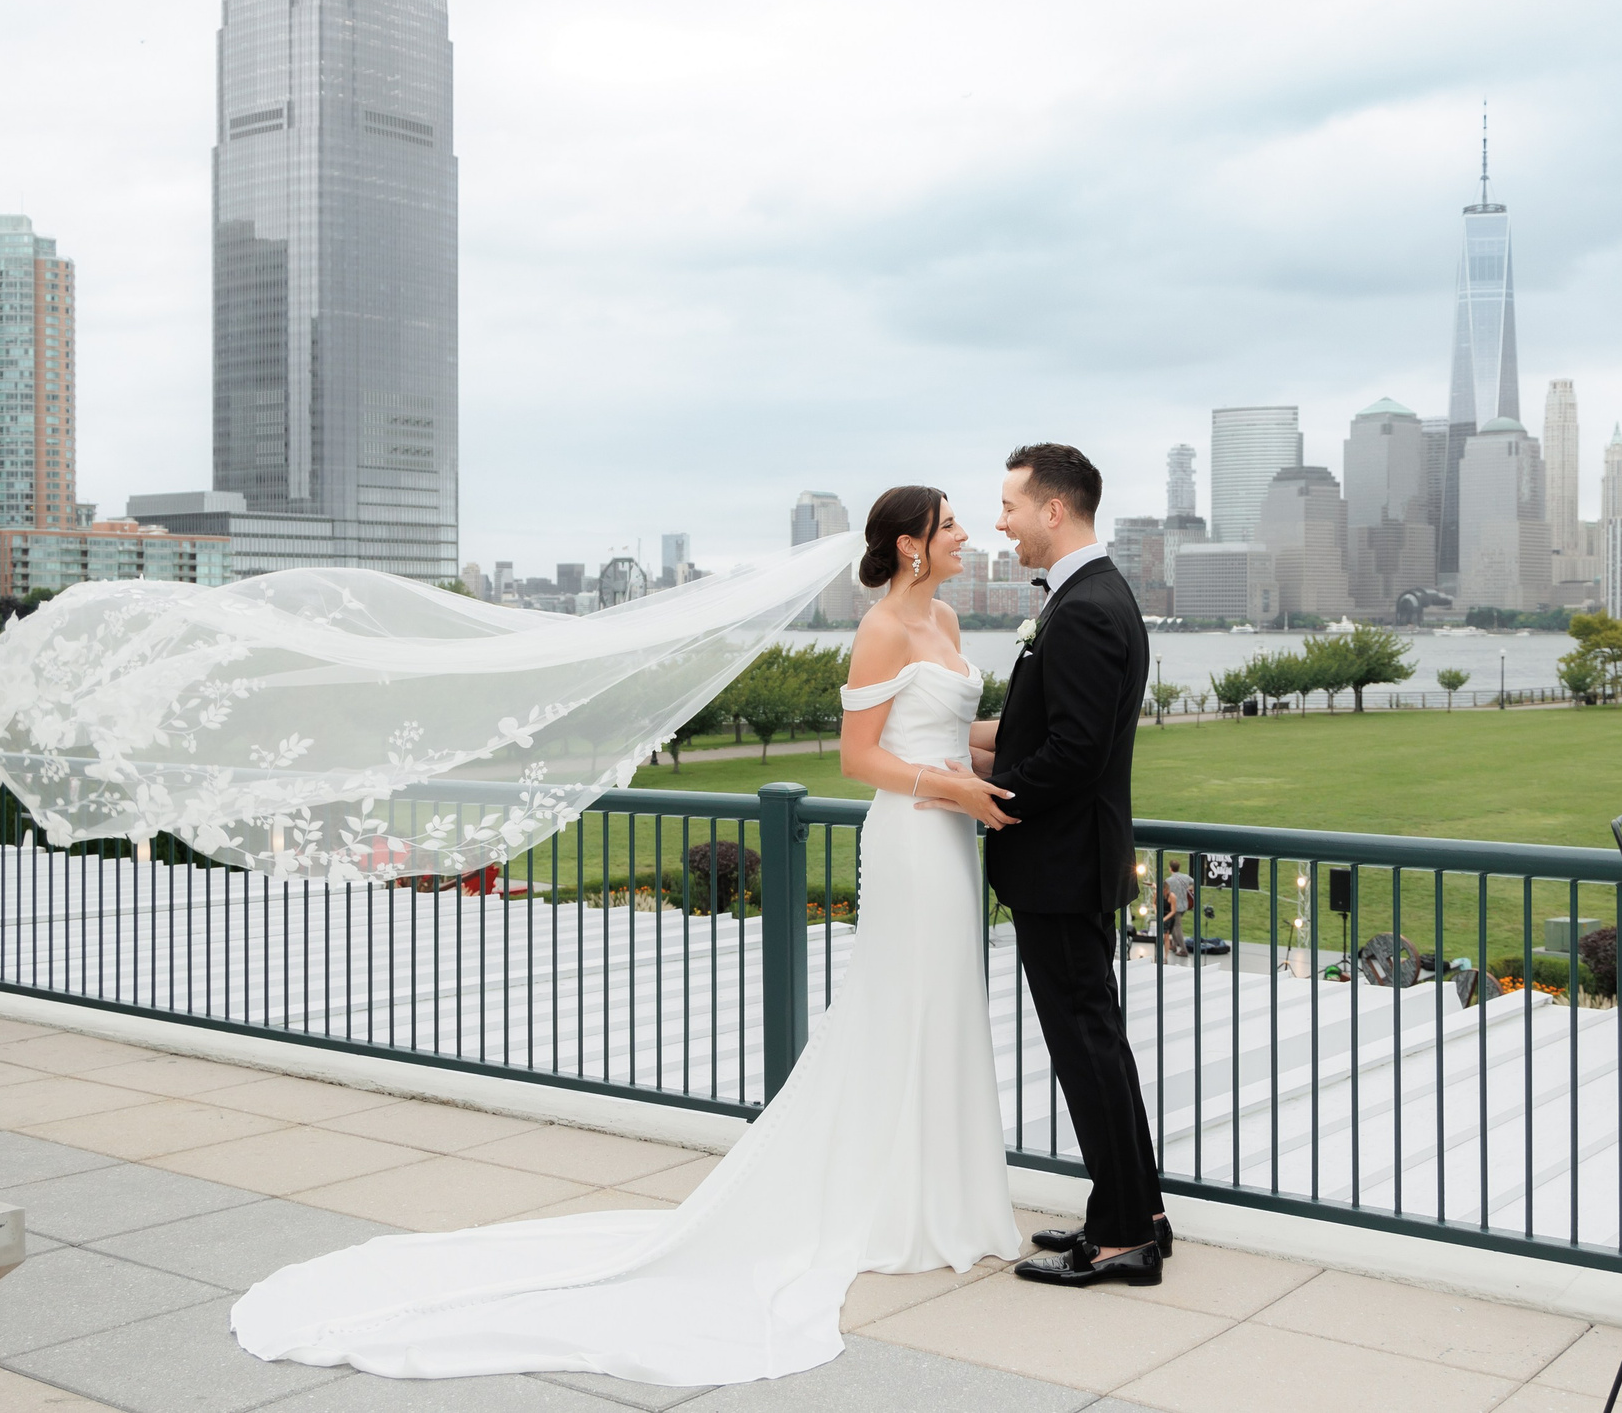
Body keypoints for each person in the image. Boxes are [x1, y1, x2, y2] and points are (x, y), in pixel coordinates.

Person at [230, 485, 1023, 1385]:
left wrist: (1015, 751)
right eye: (950, 524)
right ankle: (894, 1207)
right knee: (900, 1007)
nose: (965, 534)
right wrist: (951, 788)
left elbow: (945, 727)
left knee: (947, 1004)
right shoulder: (880, 628)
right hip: (913, 838)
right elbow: (860, 756)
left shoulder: (947, 620)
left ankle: (945, 1198)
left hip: (952, 840)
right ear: (912, 544)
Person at [975, 443, 1171, 1288]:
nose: (1001, 522)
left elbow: (1075, 753)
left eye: (1010, 505)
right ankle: (1135, 1210)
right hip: (1074, 862)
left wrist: (984, 793)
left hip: (1060, 866)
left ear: (1053, 509)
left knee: (1086, 1046)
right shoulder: (1091, 594)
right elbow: (1049, 732)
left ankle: (1123, 1237)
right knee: (1100, 1043)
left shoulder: (1086, 607)